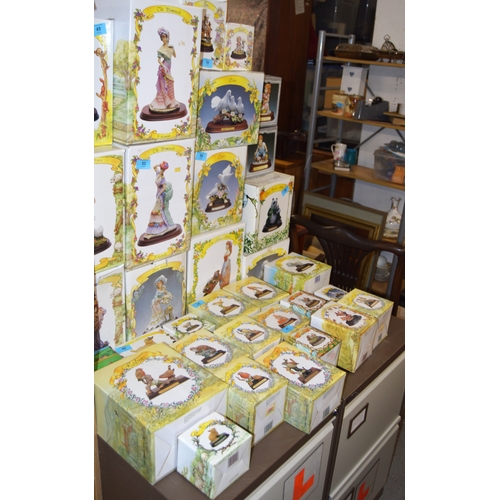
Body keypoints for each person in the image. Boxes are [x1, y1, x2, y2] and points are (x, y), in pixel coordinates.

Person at [142, 161, 176, 240]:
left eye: (163, 169)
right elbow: (154, 167)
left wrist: (159, 193)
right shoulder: (158, 173)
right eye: (161, 168)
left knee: (155, 211)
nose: (162, 170)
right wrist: (159, 164)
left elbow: (164, 188)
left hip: (160, 196)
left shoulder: (163, 178)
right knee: (156, 212)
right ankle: (154, 230)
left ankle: (159, 229)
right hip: (158, 195)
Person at [149, 28, 179, 113]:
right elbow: (159, 60)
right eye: (162, 37)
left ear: (167, 37)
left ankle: (171, 101)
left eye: (165, 37)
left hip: (169, 66)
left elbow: (175, 56)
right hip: (165, 67)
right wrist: (163, 67)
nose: (164, 39)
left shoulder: (170, 47)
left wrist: (173, 48)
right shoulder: (161, 49)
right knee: (167, 83)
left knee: (170, 82)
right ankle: (164, 103)